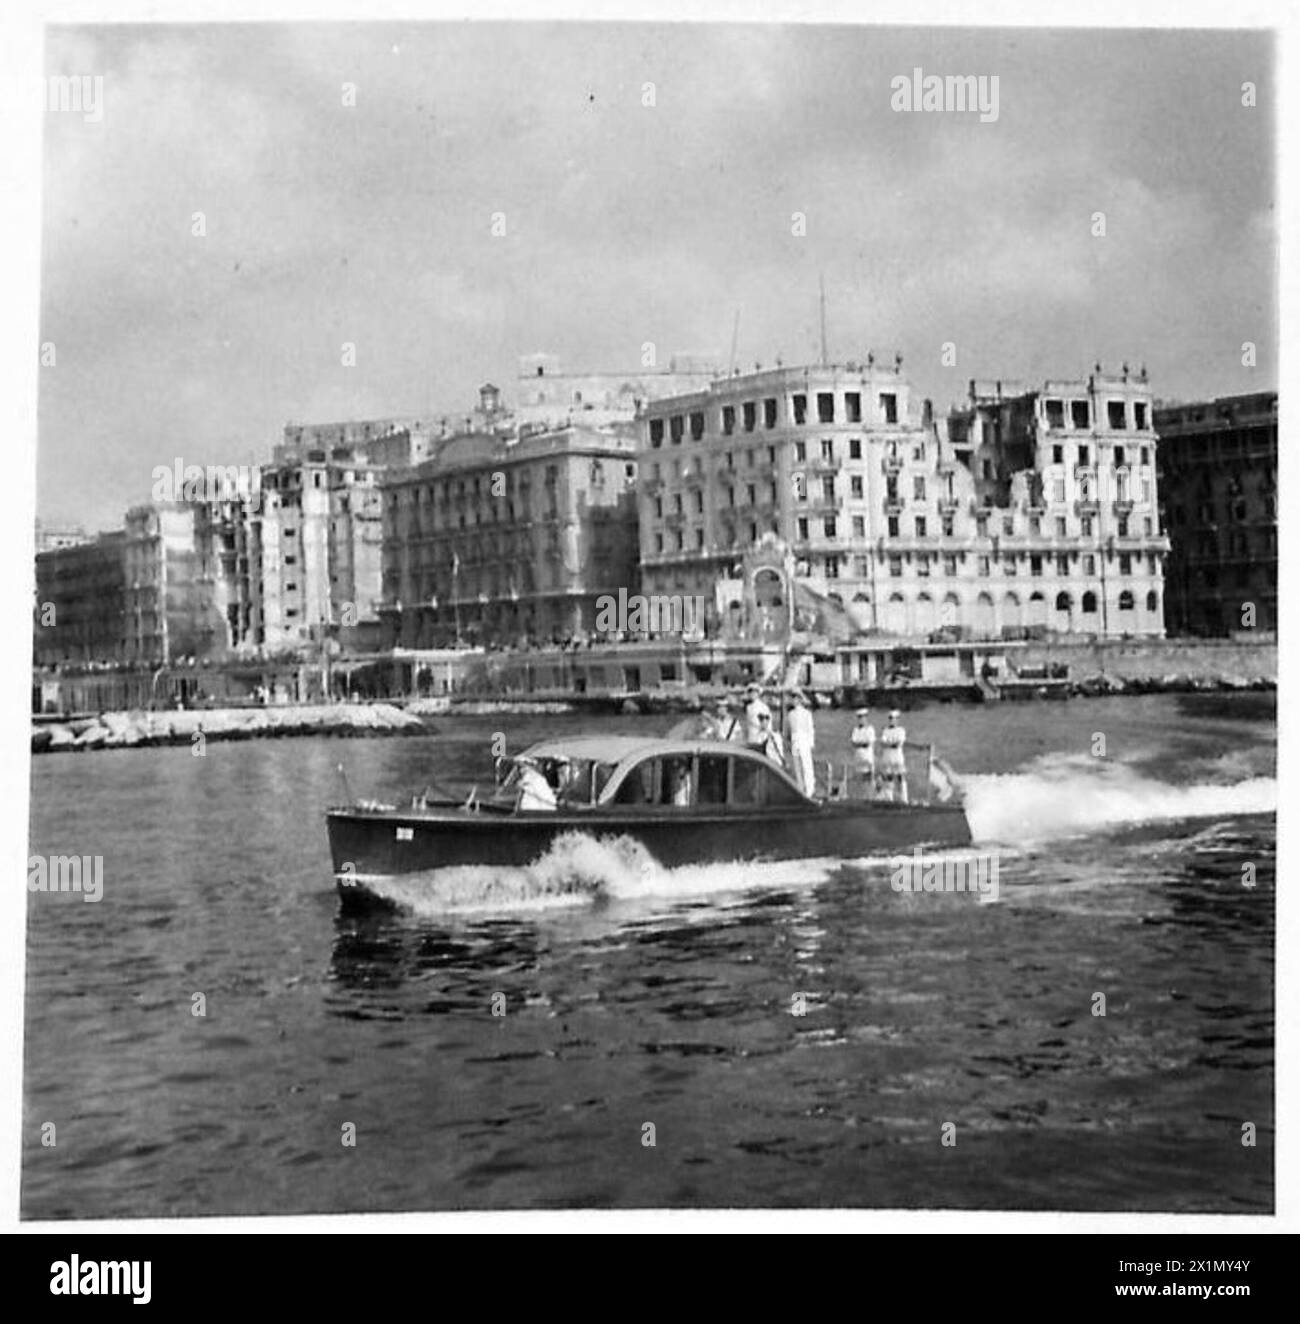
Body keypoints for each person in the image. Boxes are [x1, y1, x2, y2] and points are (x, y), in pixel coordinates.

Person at [786, 690, 816, 795]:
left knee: (806, 765)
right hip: (795, 740)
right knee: (797, 766)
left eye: (795, 698)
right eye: (792, 698)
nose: (793, 700)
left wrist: (811, 743)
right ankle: (800, 789)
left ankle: (809, 789)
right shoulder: (790, 714)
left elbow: (810, 729)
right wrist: (789, 742)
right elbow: (789, 730)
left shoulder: (806, 713)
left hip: (804, 740)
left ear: (799, 700)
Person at [878, 709, 908, 804]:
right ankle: (889, 799)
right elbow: (883, 743)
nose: (891, 720)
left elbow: (898, 744)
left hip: (897, 758)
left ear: (897, 720)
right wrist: (890, 743)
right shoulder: (885, 730)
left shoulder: (901, 730)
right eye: (890, 718)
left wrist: (889, 743)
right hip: (887, 757)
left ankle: (903, 799)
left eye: (893, 718)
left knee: (900, 777)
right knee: (888, 778)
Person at [850, 708, 876, 798]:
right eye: (859, 717)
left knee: (868, 779)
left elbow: (868, 742)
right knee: (858, 779)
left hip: (867, 757)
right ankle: (860, 796)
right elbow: (853, 742)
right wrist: (861, 742)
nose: (861, 719)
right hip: (858, 757)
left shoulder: (870, 729)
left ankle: (869, 796)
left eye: (862, 717)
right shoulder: (855, 730)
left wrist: (859, 742)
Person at [742, 682, 772, 753]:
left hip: (760, 740)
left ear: (758, 694)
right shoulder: (748, 707)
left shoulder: (763, 707)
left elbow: (765, 724)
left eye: (755, 692)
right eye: (750, 692)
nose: (752, 694)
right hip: (751, 738)